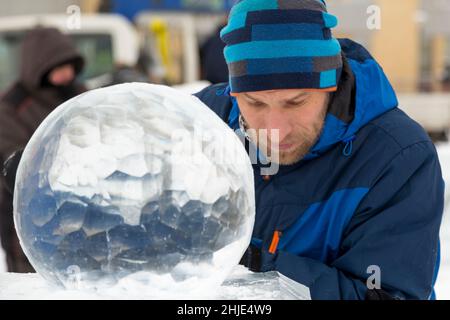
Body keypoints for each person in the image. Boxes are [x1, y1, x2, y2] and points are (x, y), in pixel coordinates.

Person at [195, 0, 445, 300]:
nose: (276, 129)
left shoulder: (396, 157)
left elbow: (388, 295)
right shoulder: (205, 122)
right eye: (255, 103)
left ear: (330, 84)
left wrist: (252, 266)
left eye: (296, 101)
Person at [0, 27, 85, 273]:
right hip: (30, 216)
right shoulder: (12, 108)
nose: (66, 74)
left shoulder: (79, 95)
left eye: (69, 66)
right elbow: (13, 158)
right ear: (39, 68)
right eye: (57, 68)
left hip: (81, 211)